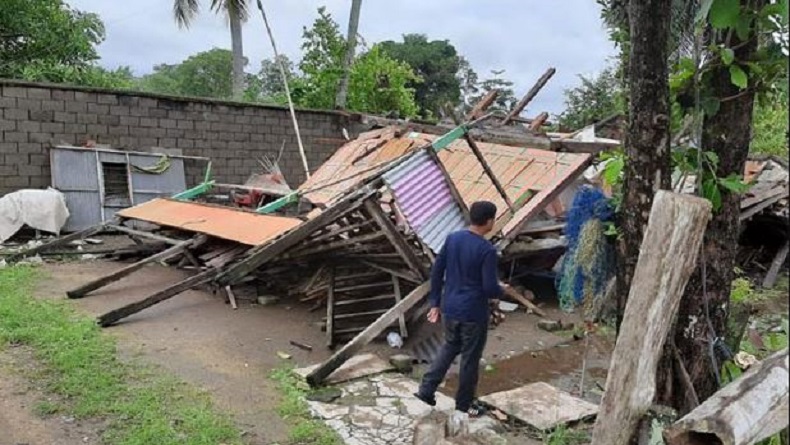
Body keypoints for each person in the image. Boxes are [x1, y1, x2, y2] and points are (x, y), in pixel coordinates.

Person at [414, 200, 504, 417]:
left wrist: (435, 302)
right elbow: (490, 288)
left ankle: (426, 389)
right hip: (473, 313)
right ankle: (464, 405)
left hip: (451, 308)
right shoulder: (486, 250)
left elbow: (436, 272)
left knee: (449, 347)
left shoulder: (453, 239)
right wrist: (503, 289)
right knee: (470, 359)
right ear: (490, 221)